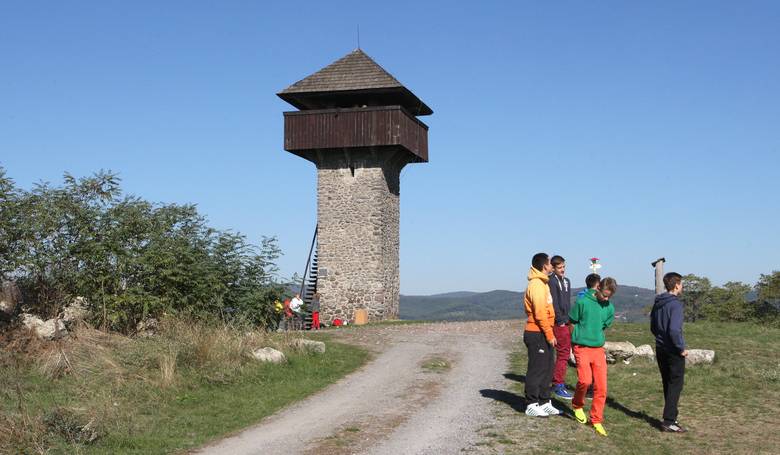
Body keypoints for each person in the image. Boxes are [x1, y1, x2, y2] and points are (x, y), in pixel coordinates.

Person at [569, 276, 616, 436]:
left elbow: (605, 323)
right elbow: (572, 321)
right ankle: (577, 405)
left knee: (601, 387)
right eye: (604, 294)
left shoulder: (609, 307)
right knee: (585, 380)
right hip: (581, 347)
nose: (606, 298)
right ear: (598, 288)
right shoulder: (582, 302)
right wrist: (576, 337)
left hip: (598, 350)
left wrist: (595, 334)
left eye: (609, 296)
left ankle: (596, 420)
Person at [523, 252, 562, 417]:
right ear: (544, 265)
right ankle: (531, 403)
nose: (552, 265)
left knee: (548, 368)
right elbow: (539, 313)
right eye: (549, 262)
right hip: (536, 332)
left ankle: (545, 401)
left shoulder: (543, 283)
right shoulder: (536, 285)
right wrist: (549, 334)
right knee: (537, 369)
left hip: (544, 331)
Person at [650, 272, 688, 433]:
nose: (682, 286)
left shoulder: (658, 302)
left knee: (668, 383)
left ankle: (671, 417)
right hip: (673, 350)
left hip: (660, 348)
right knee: (675, 385)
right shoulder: (676, 305)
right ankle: (669, 421)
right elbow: (674, 330)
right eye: (682, 284)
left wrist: (660, 338)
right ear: (676, 285)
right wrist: (681, 348)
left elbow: (653, 326)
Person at [548, 255, 573, 400]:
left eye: (563, 267)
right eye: (559, 267)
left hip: (566, 319)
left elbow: (566, 301)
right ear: (553, 268)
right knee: (563, 353)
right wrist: (561, 320)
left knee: (564, 353)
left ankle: (555, 380)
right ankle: (558, 384)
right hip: (559, 322)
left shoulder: (566, 281)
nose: (562, 270)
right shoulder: (551, 282)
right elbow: (554, 303)